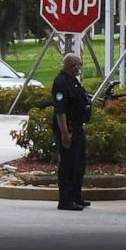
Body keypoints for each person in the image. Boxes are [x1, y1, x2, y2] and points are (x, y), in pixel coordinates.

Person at [51, 53, 90, 211]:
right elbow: (60, 111)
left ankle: (76, 196)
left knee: (79, 164)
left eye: (80, 64)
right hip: (69, 129)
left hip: (78, 127)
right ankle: (66, 200)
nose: (79, 68)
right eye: (77, 65)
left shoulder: (73, 81)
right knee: (68, 165)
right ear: (70, 65)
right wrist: (65, 134)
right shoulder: (60, 83)